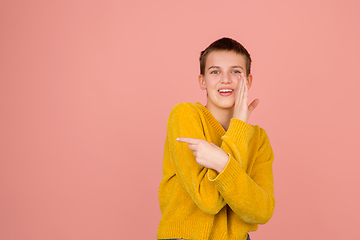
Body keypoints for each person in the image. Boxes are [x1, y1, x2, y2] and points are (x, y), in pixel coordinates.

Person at [157, 37, 275, 240]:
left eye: (236, 71)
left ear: (248, 80)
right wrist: (238, 131)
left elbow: (262, 211)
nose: (226, 79)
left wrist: (221, 162)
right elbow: (209, 201)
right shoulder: (185, 115)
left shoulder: (258, 138)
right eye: (215, 71)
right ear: (202, 81)